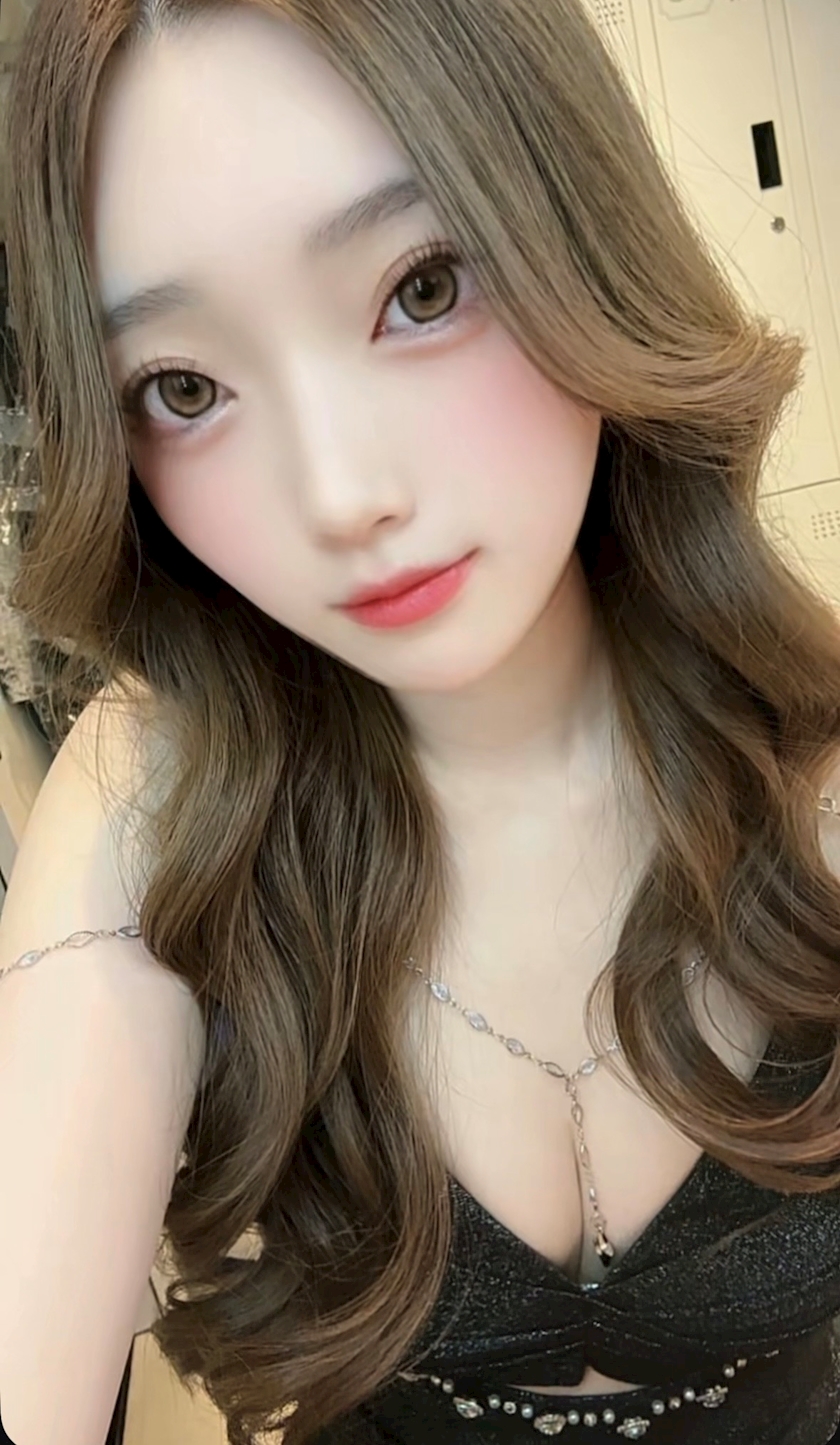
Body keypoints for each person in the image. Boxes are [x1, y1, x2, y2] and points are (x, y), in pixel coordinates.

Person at [2, 0, 840, 1441]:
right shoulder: (154, 796)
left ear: (576, 234)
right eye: (187, 389)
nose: (341, 496)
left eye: (425, 286)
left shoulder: (812, 767)